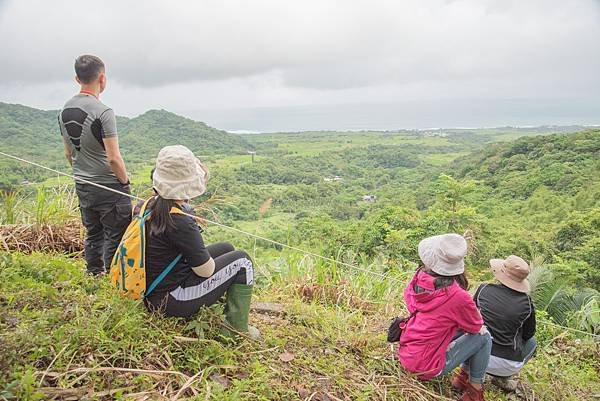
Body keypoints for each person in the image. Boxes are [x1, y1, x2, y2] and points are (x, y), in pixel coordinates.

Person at [143, 145, 259, 339]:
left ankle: (217, 307)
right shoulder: (180, 221)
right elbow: (205, 271)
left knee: (227, 248)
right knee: (242, 261)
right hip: (170, 300)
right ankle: (237, 329)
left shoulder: (150, 205)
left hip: (151, 287)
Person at [58, 55, 131, 276]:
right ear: (102, 78)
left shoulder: (63, 111)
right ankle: (113, 279)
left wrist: (82, 173)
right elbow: (113, 158)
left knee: (93, 233)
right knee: (116, 235)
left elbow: (68, 153)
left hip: (83, 184)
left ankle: (93, 274)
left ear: (77, 78)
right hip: (109, 186)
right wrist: (125, 182)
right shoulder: (103, 112)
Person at [398, 234, 492, 401]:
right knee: (484, 337)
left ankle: (463, 379)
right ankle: (474, 390)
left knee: (460, 330)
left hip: (408, 353)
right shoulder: (457, 296)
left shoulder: (420, 277)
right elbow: (476, 327)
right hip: (425, 366)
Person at [474, 255, 536, 392]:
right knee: (533, 343)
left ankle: (475, 373)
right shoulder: (527, 303)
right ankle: (502, 378)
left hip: (475, 355)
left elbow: (471, 317)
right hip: (506, 365)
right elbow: (528, 334)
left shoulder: (483, 290)